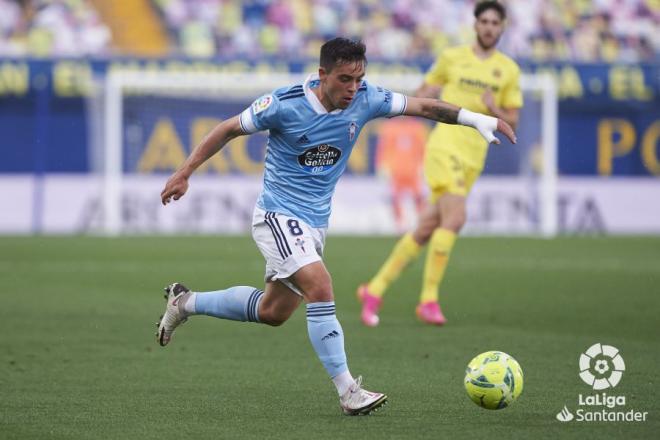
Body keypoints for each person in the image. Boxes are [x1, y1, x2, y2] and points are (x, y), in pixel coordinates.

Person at [157, 37, 516, 416]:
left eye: (359, 79)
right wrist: (184, 173)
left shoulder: (366, 98)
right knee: (321, 286)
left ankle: (185, 302)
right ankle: (348, 391)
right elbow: (228, 129)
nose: (353, 88)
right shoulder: (284, 104)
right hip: (277, 216)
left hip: (314, 224)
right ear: (322, 74)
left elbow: (424, 105)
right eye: (345, 79)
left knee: (273, 312)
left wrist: (478, 119)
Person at [358, 1, 522, 327]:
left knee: (427, 227)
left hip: (474, 156)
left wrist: (494, 109)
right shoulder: (452, 58)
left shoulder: (509, 70)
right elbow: (425, 92)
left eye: (495, 22)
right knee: (456, 217)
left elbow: (512, 118)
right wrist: (426, 93)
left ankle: (374, 289)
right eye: (484, 21)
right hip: (444, 147)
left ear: (502, 27)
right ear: (475, 25)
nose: (489, 27)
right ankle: (428, 300)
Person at [375, 116, 428, 233]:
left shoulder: (417, 127)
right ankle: (399, 223)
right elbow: (383, 149)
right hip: (396, 170)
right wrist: (382, 166)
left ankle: (421, 222)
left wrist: (423, 165)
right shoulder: (389, 127)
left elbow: (422, 148)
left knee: (418, 196)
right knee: (395, 197)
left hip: (413, 169)